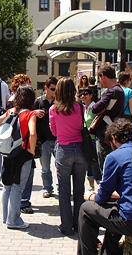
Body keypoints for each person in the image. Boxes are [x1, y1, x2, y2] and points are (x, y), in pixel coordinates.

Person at [77, 118, 132, 255]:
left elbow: (102, 197)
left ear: (113, 138)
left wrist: (91, 196)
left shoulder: (115, 156)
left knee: (86, 210)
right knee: (115, 212)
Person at [0, 85, 37, 229]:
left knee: (7, 186)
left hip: (8, 152)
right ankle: (14, 220)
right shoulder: (30, 114)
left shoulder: (10, 112)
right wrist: (31, 151)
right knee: (18, 187)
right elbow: (32, 133)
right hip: (23, 154)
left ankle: (6, 218)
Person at [49, 77, 88, 236]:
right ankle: (79, 225)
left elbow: (54, 132)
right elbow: (81, 126)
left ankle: (65, 226)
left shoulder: (54, 109)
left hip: (63, 149)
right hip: (80, 149)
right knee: (79, 190)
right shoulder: (80, 107)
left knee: (64, 190)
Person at [91, 63, 125, 172]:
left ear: (103, 76)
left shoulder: (112, 91)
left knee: (105, 169)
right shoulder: (120, 90)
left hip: (104, 134)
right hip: (114, 132)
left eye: (99, 78)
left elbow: (95, 108)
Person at [35, 76, 58, 199]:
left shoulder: (59, 102)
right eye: (52, 89)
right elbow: (30, 115)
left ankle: (61, 188)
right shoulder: (39, 101)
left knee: (60, 166)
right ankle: (47, 188)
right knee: (45, 167)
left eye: (56, 89)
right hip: (43, 139)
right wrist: (35, 113)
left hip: (58, 139)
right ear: (46, 88)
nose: (54, 91)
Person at [80, 87, 102, 191]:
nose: (83, 96)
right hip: (87, 140)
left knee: (95, 164)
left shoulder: (94, 108)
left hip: (94, 139)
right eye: (81, 94)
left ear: (91, 95)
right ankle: (91, 187)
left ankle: (99, 187)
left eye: (85, 94)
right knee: (88, 164)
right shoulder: (84, 108)